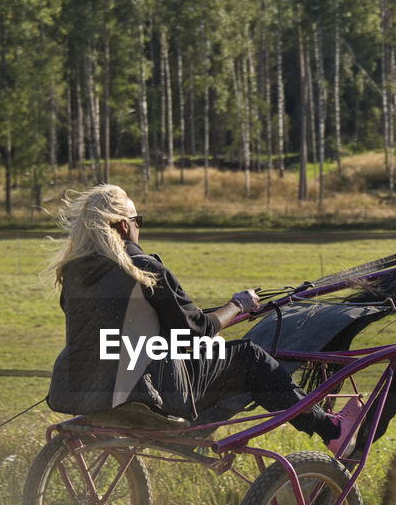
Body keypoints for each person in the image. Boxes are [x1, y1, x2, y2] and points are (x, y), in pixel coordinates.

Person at [46, 184, 359, 455]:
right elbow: (196, 331)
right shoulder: (141, 267)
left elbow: (123, 330)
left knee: (211, 354)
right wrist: (238, 304)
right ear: (124, 227)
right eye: (138, 220)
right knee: (249, 357)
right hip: (145, 395)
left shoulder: (73, 273)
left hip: (83, 392)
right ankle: (331, 430)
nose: (140, 226)